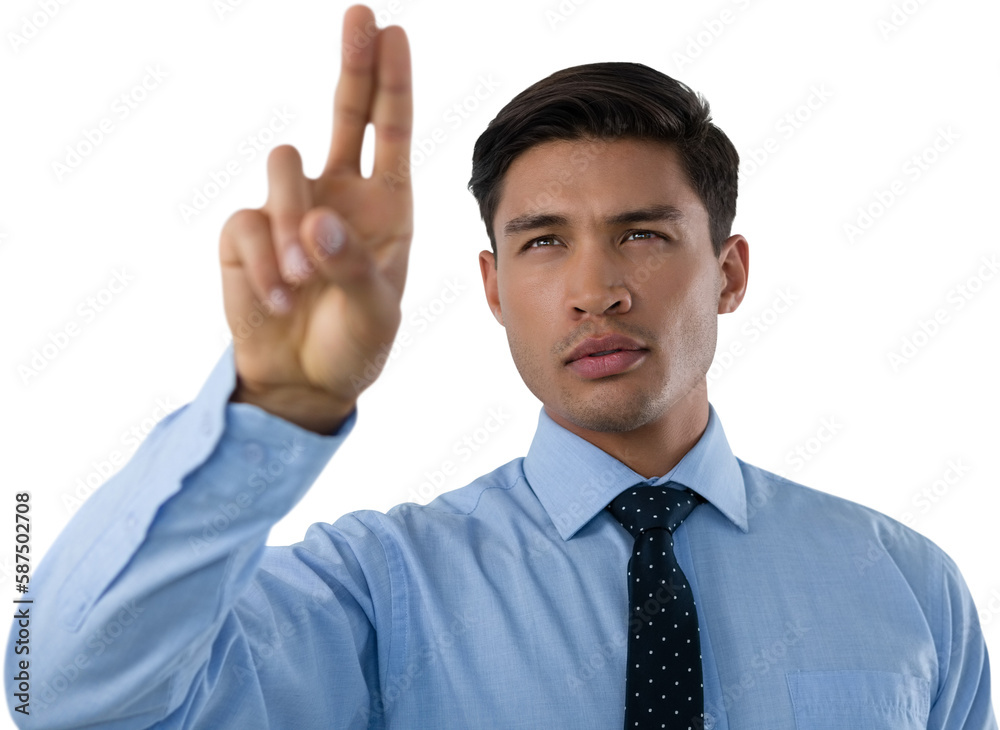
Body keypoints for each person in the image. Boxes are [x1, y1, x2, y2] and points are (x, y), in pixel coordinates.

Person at [6, 4, 996, 729]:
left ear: (729, 272)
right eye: (543, 242)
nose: (595, 290)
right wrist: (273, 408)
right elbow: (57, 695)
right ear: (491, 287)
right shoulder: (381, 590)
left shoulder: (907, 585)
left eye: (642, 234)